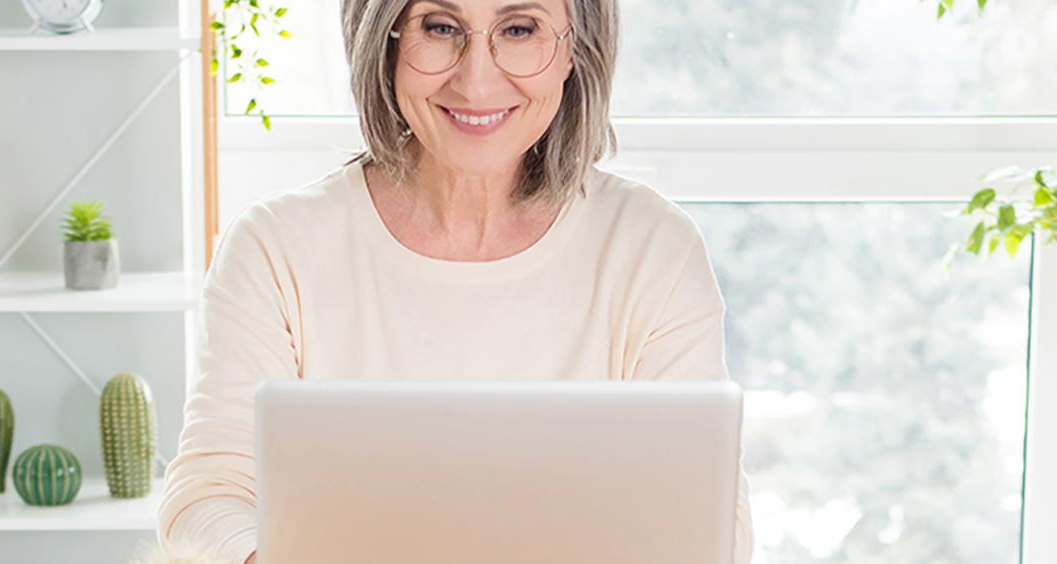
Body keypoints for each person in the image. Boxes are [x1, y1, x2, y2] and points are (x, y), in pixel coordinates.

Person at [157, 0, 755, 562]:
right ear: (386, 39)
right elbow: (210, 493)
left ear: (575, 48)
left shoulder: (653, 248)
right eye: (440, 26)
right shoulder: (275, 248)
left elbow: (711, 519)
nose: (475, 81)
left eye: (519, 29)